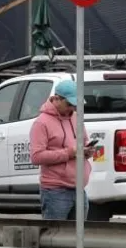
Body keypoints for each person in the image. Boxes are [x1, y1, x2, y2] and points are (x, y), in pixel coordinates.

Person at [29, 80, 92, 221]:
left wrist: (87, 150)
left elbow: (83, 142)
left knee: (78, 238)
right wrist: (70, 153)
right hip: (55, 191)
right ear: (57, 99)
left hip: (79, 188)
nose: (72, 108)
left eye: (75, 105)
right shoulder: (41, 123)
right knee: (55, 237)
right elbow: (36, 156)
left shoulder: (76, 118)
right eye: (69, 104)